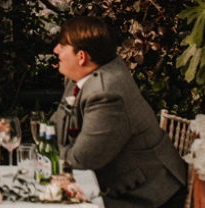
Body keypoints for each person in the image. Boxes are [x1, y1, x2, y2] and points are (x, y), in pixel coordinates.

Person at [50, 17, 188, 208]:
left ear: (81, 57)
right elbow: (55, 126)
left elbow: (81, 161)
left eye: (62, 46)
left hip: (147, 193)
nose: (56, 50)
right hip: (113, 183)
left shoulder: (106, 93)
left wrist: (51, 151)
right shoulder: (79, 75)